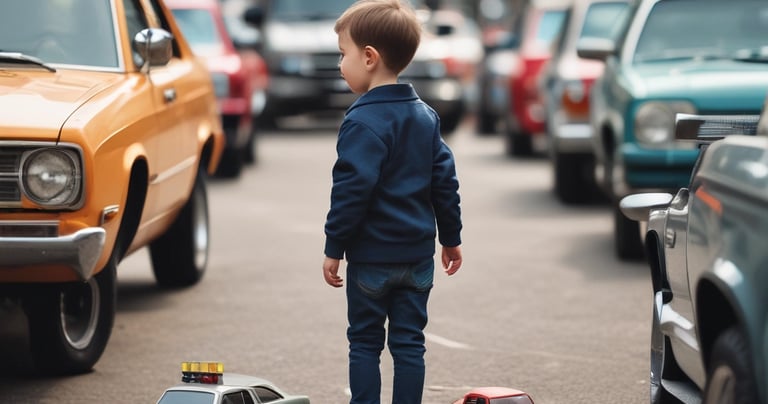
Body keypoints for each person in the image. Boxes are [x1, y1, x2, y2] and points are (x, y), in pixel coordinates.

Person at [322, 1, 463, 403]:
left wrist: (334, 246)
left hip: (371, 259)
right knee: (409, 344)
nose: (340, 64)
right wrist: (450, 238)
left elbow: (351, 192)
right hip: (417, 259)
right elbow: (444, 182)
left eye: (343, 54)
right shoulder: (426, 117)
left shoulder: (361, 121)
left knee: (365, 342)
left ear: (369, 57)